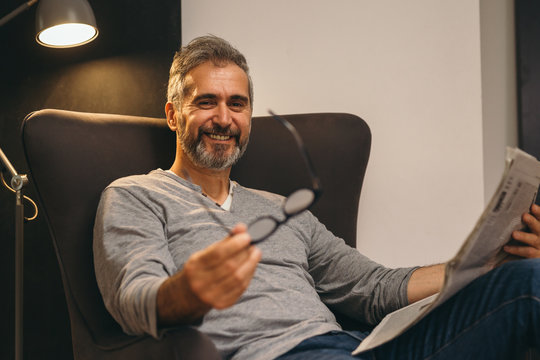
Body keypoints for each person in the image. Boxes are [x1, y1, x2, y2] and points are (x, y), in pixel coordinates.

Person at [93, 35, 540, 359]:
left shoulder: (282, 208)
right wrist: (188, 292)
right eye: (207, 102)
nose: (224, 118)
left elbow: (375, 288)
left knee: (528, 283)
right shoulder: (136, 195)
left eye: (238, 103)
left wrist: (492, 261)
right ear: (173, 115)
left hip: (357, 348)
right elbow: (136, 300)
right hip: (275, 356)